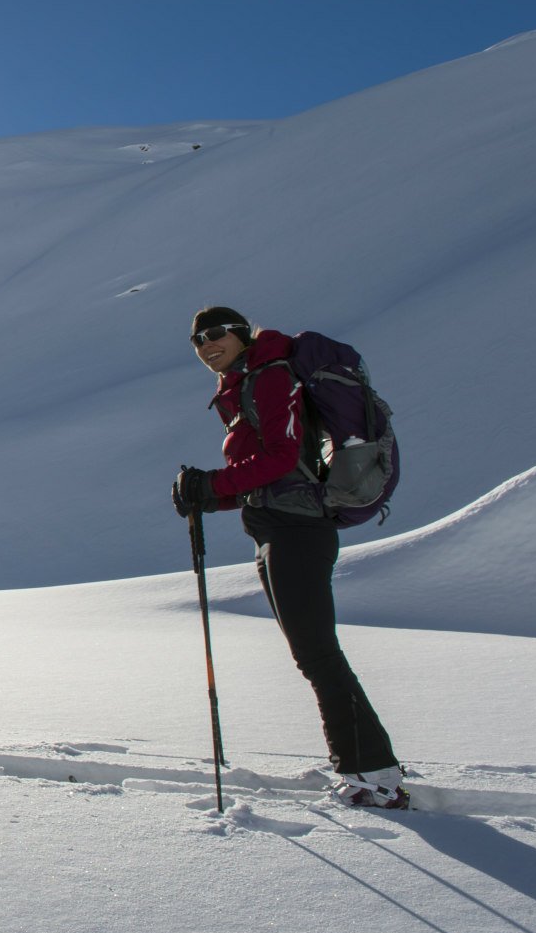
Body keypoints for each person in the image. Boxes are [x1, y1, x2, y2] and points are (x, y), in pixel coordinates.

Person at [173, 306, 408, 808]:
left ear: (241, 335)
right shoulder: (245, 384)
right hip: (279, 526)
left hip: (297, 530)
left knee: (318, 654)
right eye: (197, 340)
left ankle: (375, 776)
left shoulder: (270, 377)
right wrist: (208, 496)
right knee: (314, 655)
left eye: (216, 335)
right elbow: (277, 473)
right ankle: (365, 766)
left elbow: (279, 458)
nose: (205, 345)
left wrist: (212, 483)